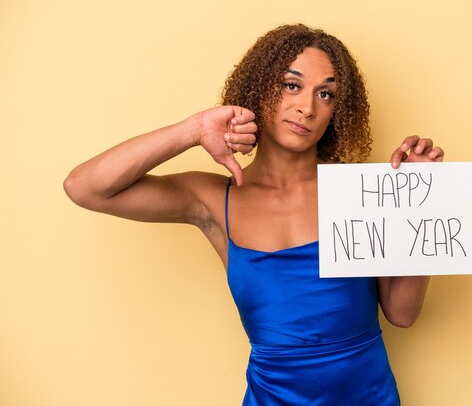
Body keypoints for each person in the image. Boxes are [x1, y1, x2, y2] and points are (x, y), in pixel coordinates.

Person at [64, 24, 444, 406]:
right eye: (291, 85)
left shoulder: (360, 189)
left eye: (325, 94)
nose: (306, 108)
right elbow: (85, 187)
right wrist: (194, 129)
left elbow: (402, 312)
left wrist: (421, 201)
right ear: (259, 88)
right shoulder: (212, 199)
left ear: (337, 110)